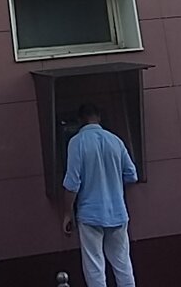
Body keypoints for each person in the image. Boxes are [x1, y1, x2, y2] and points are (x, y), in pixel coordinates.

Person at [62, 103, 138, 287]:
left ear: (80, 119)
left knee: (94, 267)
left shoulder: (77, 142)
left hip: (90, 214)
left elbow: (72, 183)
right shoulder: (115, 141)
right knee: (123, 264)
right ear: (99, 117)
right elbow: (131, 175)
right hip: (118, 212)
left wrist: (67, 214)